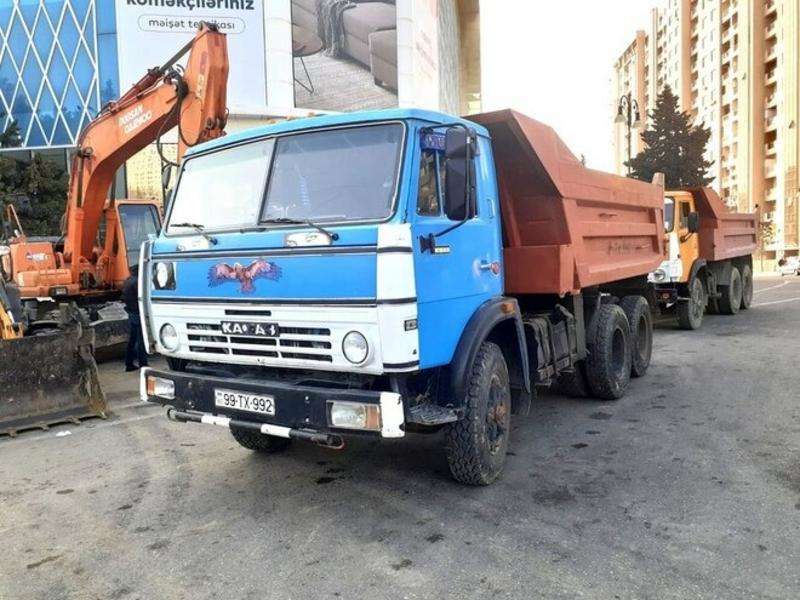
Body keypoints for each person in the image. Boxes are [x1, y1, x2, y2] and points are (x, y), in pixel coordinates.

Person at [122, 264, 148, 372]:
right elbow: (142, 297)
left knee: (132, 340)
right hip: (138, 313)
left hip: (131, 312)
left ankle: (129, 364)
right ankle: (143, 364)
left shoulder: (127, 280)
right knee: (141, 340)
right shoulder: (137, 282)